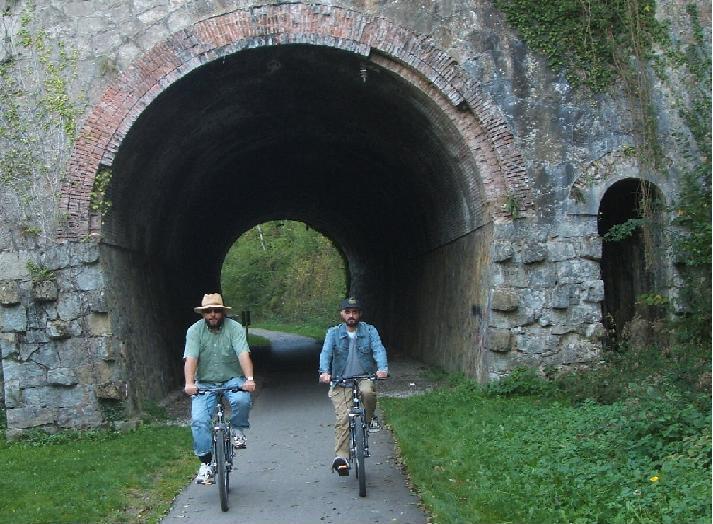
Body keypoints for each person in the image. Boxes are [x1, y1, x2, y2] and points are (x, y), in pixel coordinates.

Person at [183, 293, 256, 484]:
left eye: (217, 311)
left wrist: (249, 379)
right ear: (203, 314)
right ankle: (206, 464)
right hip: (205, 382)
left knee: (242, 399)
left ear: (223, 312)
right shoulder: (194, 331)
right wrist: (189, 383)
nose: (213, 314)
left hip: (231, 378)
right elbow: (191, 358)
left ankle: (238, 431)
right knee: (199, 421)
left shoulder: (234, 328)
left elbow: (243, 353)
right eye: (209, 311)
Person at [319, 297, 388, 476]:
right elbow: (326, 352)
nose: (351, 315)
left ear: (360, 314)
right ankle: (341, 458)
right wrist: (324, 372)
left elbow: (378, 349)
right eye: (348, 312)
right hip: (341, 381)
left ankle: (369, 418)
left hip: (363, 376)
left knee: (368, 392)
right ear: (342, 314)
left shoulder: (370, 331)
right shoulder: (333, 333)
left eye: (355, 312)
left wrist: (382, 369)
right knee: (343, 418)